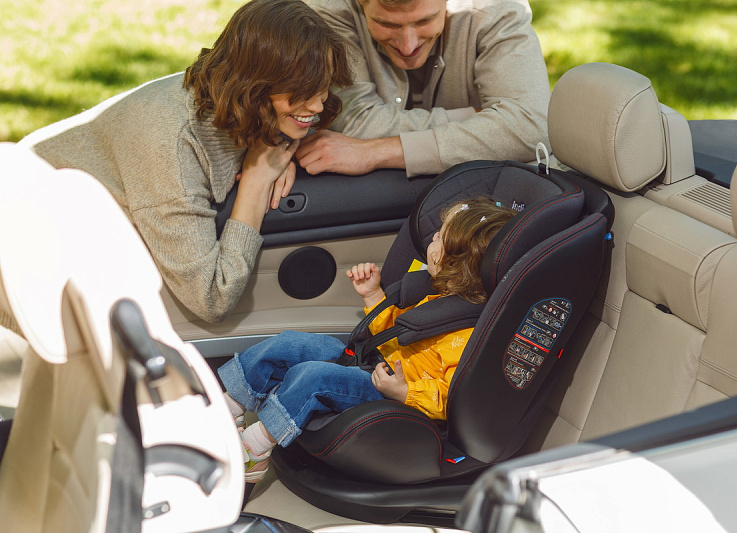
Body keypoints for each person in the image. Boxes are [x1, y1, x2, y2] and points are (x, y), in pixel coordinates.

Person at [19, 0, 352, 323]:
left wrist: (278, 141)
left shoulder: (235, 102)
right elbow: (212, 298)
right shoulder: (174, 145)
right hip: (29, 269)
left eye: (322, 86)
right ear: (254, 84)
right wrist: (257, 179)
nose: (318, 105)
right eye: (302, 92)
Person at [219, 197, 517, 482]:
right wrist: (374, 295)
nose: (434, 236)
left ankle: (255, 451)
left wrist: (405, 392)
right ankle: (228, 409)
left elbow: (453, 396)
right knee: (291, 343)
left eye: (442, 237)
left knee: (314, 378)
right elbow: (396, 332)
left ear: (456, 268)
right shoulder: (437, 293)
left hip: (392, 395)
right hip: (375, 361)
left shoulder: (466, 337)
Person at [294, 0, 551, 178]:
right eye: (387, 24)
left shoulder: (496, 9)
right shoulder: (326, 12)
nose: (408, 46)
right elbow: (353, 121)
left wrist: (377, 151)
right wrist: (477, 118)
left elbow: (531, 126)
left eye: (425, 20)